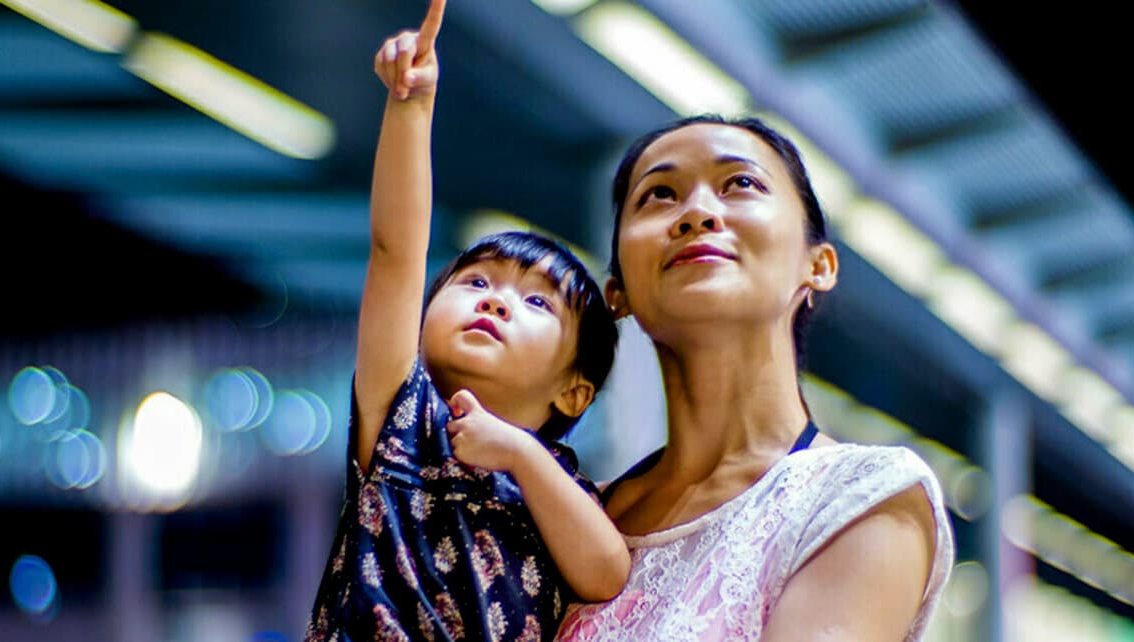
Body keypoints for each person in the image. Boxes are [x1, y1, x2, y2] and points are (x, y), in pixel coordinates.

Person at [554, 115, 955, 641]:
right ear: (618, 293)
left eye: (741, 183)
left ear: (819, 264)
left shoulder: (863, 497)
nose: (696, 212)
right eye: (658, 195)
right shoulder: (563, 513)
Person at [303, 2, 628, 640]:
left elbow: (605, 574)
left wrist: (519, 455)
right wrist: (411, 109)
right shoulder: (403, 416)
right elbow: (396, 252)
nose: (497, 301)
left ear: (574, 390)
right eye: (476, 282)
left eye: (537, 303)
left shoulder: (556, 486)